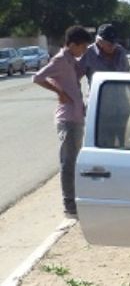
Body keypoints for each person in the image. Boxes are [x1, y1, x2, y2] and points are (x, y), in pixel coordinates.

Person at [32, 26, 93, 218]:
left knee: (75, 161)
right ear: (73, 44)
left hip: (76, 116)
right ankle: (69, 205)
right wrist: (60, 93)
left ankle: (75, 200)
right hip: (67, 118)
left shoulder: (71, 60)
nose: (83, 51)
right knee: (68, 162)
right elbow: (37, 77)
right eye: (82, 47)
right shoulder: (60, 60)